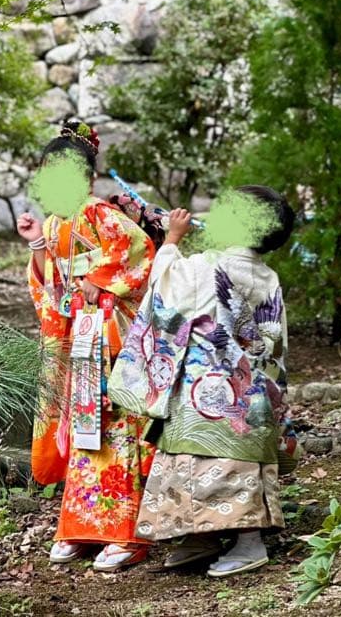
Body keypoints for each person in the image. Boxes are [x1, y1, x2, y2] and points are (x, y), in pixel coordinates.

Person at [108, 185, 294, 576]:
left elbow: (165, 289)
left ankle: (250, 542)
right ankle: (202, 536)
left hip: (206, 393)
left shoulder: (208, 267)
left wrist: (171, 240)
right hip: (252, 392)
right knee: (226, 461)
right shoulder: (267, 275)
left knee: (216, 462)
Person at [16, 120, 156, 572]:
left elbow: (139, 250)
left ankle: (128, 531)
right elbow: (51, 288)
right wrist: (38, 244)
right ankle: (80, 526)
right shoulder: (55, 222)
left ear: (87, 177)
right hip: (80, 335)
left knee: (118, 426)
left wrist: (100, 280)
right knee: (85, 428)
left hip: (111, 334)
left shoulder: (99, 213)